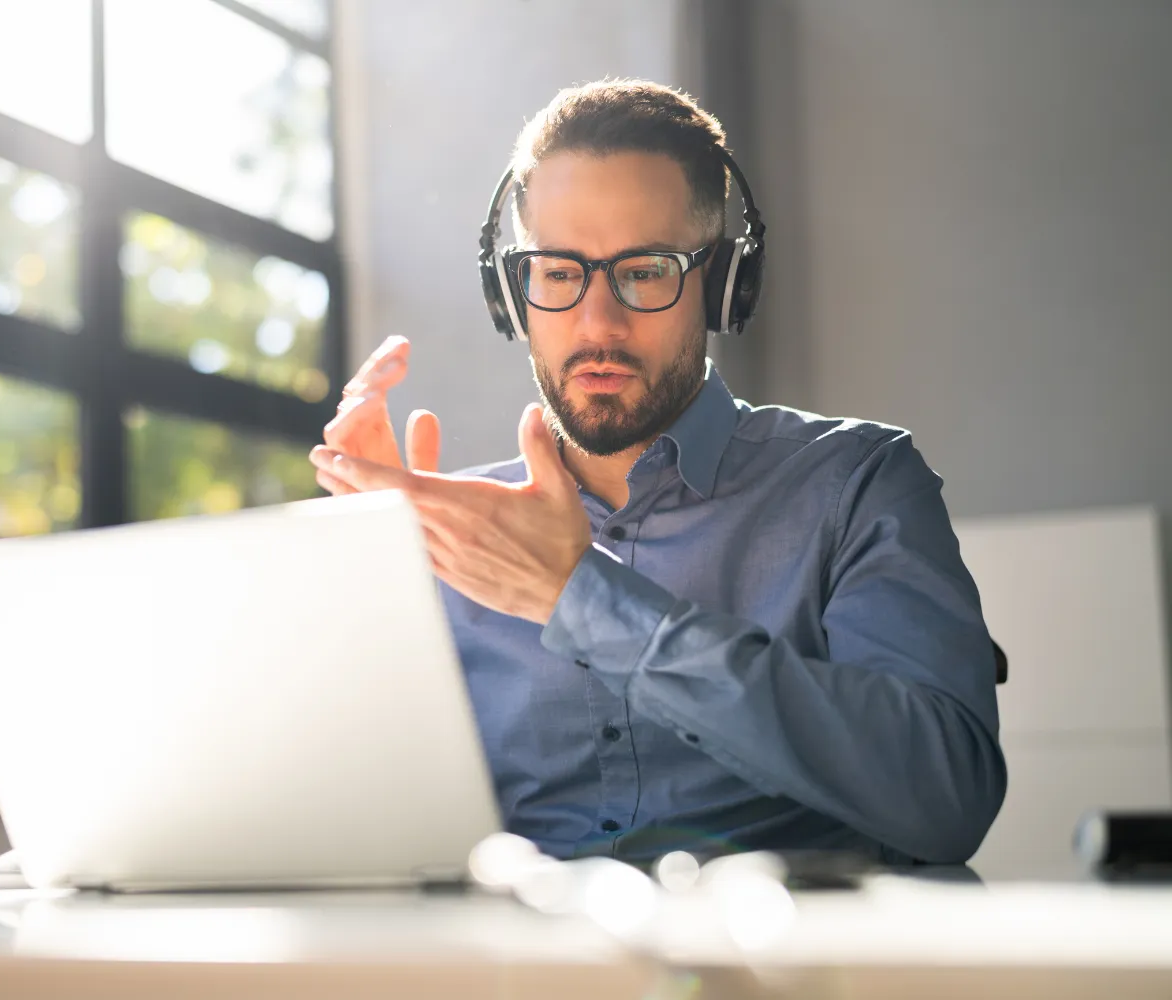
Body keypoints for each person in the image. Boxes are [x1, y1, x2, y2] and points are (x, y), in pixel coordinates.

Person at [309, 79, 1005, 866]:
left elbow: (947, 799)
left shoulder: (857, 483)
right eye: (558, 272)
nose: (597, 322)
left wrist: (579, 597)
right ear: (513, 294)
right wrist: (363, 583)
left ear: (722, 284)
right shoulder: (450, 533)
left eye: (645, 270)